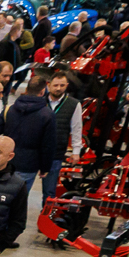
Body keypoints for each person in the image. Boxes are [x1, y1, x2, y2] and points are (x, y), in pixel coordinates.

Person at [1, 74, 59, 202]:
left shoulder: (10, 109)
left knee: (2, 196)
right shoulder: (47, 115)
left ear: (27, 89)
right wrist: (45, 167)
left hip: (7, 161)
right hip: (29, 164)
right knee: (18, 200)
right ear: (43, 91)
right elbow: (48, 144)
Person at [40, 67, 84, 202]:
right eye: (55, 85)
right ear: (48, 85)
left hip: (56, 152)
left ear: (67, 86)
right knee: (23, 186)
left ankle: (46, 213)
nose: (58, 88)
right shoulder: (39, 101)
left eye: (62, 85)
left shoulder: (74, 104)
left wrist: (76, 151)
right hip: (35, 150)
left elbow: (76, 128)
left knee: (49, 191)